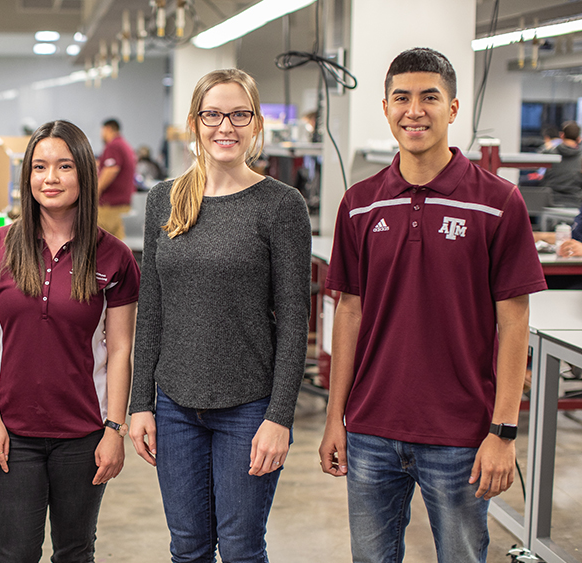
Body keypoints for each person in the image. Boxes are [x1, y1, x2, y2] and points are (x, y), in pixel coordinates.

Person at [319, 48, 547, 563]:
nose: (414, 111)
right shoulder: (359, 202)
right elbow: (348, 311)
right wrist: (336, 418)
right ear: (385, 107)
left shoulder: (499, 202)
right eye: (402, 98)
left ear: (453, 108)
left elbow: (514, 323)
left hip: (461, 435)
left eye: (430, 98)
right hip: (371, 430)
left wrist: (503, 432)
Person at [129, 68, 312, 562]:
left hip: (249, 409)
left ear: (255, 124)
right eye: (212, 114)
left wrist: (280, 417)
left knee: (240, 548)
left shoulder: (280, 205)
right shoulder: (164, 199)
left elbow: (296, 320)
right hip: (174, 406)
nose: (224, 126)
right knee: (187, 547)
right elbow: (152, 309)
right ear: (195, 122)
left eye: (238, 114)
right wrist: (140, 402)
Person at [0, 120, 140, 562]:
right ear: (27, 177)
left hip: (83, 434)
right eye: (40, 167)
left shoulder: (114, 255)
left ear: (84, 173)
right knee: (13, 554)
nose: (51, 178)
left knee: (75, 551)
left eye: (64, 166)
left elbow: (121, 349)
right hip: (12, 434)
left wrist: (115, 429)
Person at [96, 118, 137, 239]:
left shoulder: (113, 146)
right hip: (123, 205)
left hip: (110, 207)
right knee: (119, 246)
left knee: (97, 244)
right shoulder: (124, 145)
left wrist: (96, 191)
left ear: (108, 129)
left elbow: (111, 169)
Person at [540, 120, 582, 207]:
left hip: (550, 202)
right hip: (576, 202)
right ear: (579, 139)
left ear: (561, 135)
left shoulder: (549, 152)